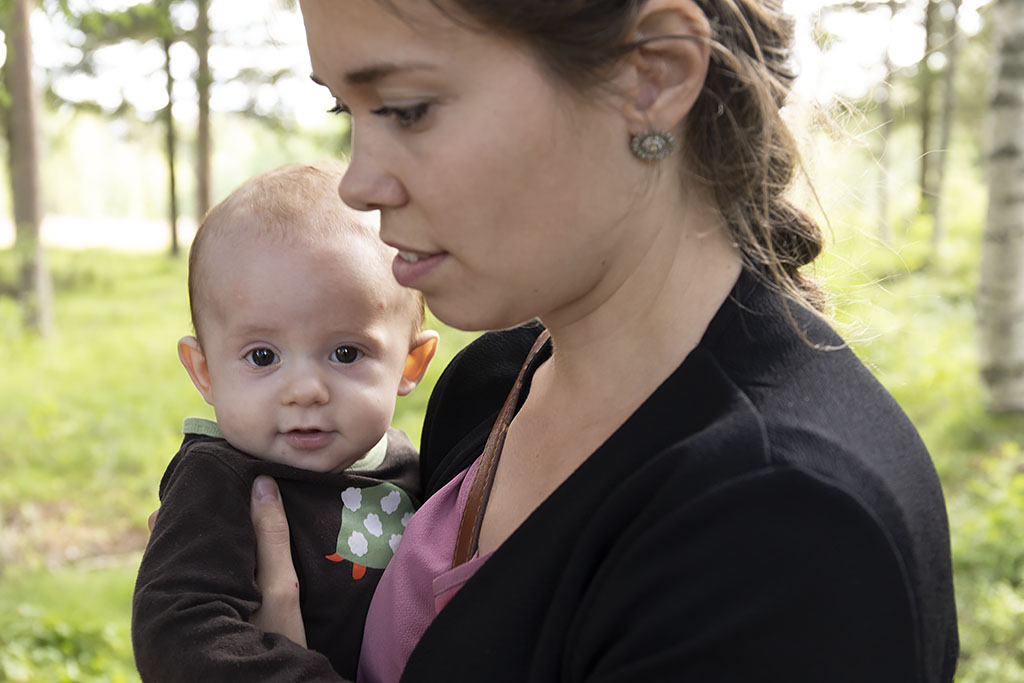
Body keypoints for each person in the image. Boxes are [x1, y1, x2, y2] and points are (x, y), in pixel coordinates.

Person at [237, 0, 960, 680]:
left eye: (407, 109)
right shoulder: (492, 382)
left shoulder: (786, 532)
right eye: (347, 109)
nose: (358, 184)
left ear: (654, 75)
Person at [132, 161, 439, 681]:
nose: (304, 391)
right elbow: (178, 629)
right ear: (204, 372)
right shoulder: (221, 479)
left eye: (345, 352)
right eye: (261, 356)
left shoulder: (415, 463)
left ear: (410, 365)